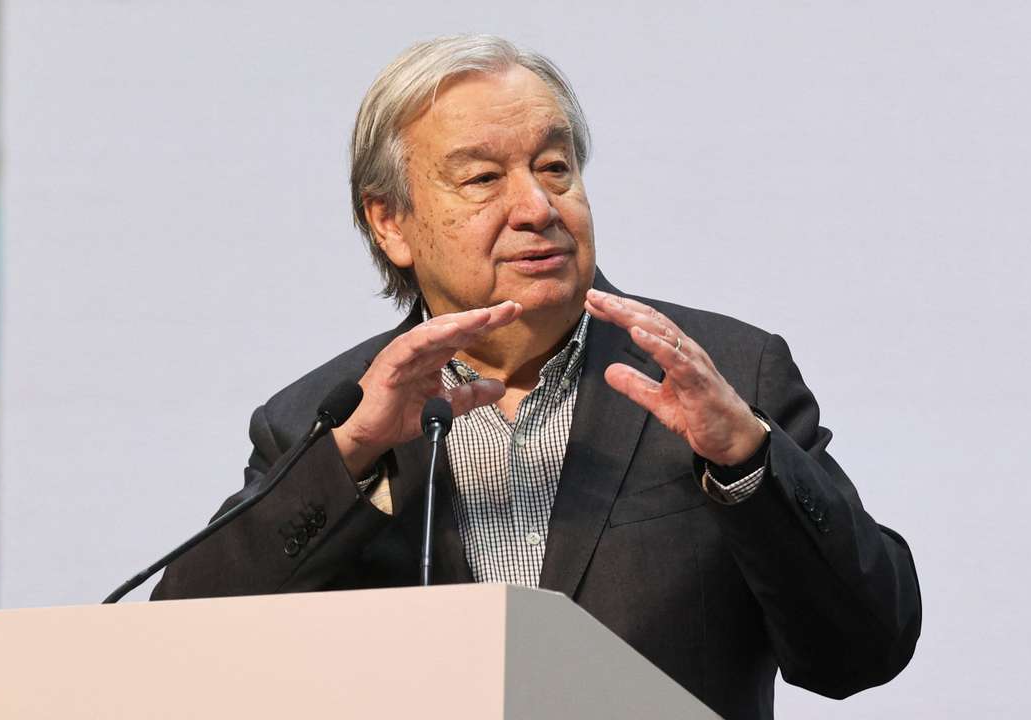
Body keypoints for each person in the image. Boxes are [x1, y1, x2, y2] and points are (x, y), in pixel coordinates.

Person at [151, 35, 921, 719]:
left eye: (555, 167)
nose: (538, 206)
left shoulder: (722, 374)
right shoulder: (323, 420)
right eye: (483, 178)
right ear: (391, 222)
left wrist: (747, 460)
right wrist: (351, 457)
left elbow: (863, 651)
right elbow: (182, 651)